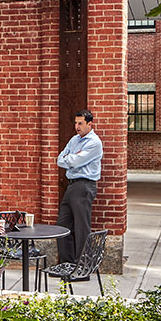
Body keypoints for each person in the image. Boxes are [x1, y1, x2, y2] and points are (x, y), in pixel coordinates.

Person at [56, 109, 103, 264]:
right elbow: (59, 160)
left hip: (83, 186)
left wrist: (70, 159)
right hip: (71, 186)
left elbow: (74, 161)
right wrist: (72, 159)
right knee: (63, 224)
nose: (77, 126)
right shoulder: (74, 140)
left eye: (80, 123)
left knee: (82, 227)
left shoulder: (94, 142)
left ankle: (82, 266)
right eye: (75, 123)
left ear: (90, 124)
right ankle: (66, 263)